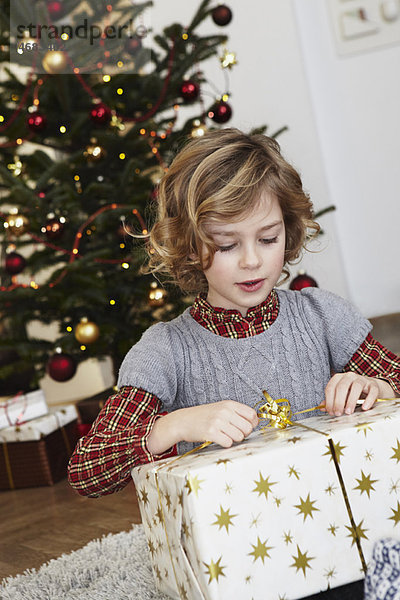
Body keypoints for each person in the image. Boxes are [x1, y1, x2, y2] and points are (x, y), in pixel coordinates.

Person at [68, 128, 400, 498]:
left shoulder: (322, 316)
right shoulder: (165, 350)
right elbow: (86, 469)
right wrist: (171, 426)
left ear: (287, 233)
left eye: (268, 238)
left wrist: (378, 387)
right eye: (227, 245)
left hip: (332, 516)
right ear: (190, 248)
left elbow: (396, 377)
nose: (252, 261)